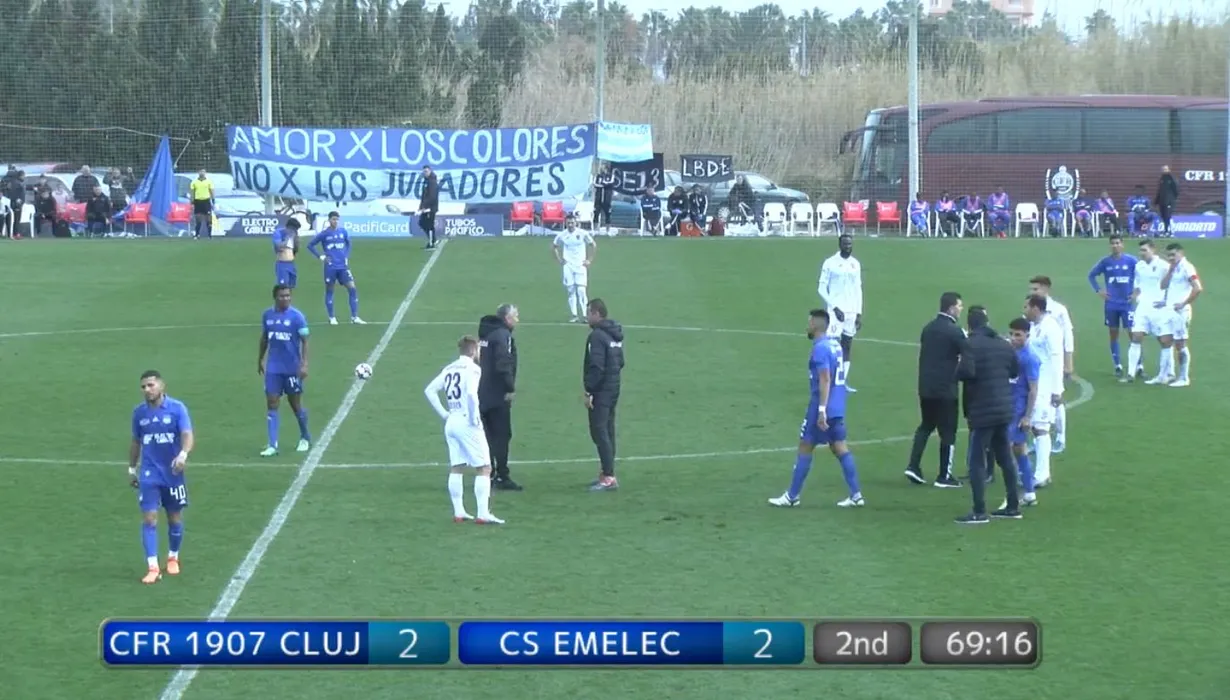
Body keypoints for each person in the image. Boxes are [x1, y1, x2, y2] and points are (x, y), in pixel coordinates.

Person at [768, 309, 864, 509]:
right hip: (838, 406)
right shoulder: (835, 345)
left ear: (815, 325)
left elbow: (825, 378)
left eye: (809, 322)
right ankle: (856, 495)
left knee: (805, 445)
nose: (807, 326)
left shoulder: (820, 349)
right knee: (839, 446)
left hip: (823, 406)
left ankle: (792, 496)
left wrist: (821, 410)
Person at [424, 335, 504, 525]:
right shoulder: (473, 369)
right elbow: (470, 394)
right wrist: (474, 416)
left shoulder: (449, 368)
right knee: (484, 467)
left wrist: (444, 414)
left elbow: (429, 390)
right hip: (466, 420)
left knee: (457, 466)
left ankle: (459, 512)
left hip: (452, 420)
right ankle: (483, 514)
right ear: (473, 350)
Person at [954, 306, 1021, 525]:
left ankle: (979, 511)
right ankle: (1013, 506)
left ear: (970, 325)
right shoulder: (1003, 344)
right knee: (1005, 458)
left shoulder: (970, 344)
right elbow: (1014, 371)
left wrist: (957, 369)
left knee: (976, 460)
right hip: (1004, 408)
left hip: (982, 409)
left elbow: (966, 372)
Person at [129, 369, 195, 583]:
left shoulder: (177, 408)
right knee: (149, 518)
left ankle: (173, 557)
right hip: (149, 473)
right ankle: (153, 567)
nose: (147, 390)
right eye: (143, 387)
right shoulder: (139, 413)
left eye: (151, 385)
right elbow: (136, 441)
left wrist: (183, 455)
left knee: (174, 517)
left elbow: (187, 434)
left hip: (173, 472)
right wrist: (132, 468)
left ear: (161, 386)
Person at [904, 292, 969, 488]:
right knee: (948, 431)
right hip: (946, 389)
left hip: (925, 387)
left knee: (926, 425)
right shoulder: (955, 331)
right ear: (951, 308)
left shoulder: (928, 328)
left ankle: (913, 465)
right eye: (959, 306)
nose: (961, 309)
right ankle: (944, 476)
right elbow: (968, 353)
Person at [258, 284, 312, 457]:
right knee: (272, 403)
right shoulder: (267, 315)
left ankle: (305, 437)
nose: (286, 298)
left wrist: (304, 364)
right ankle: (272, 444)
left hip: (291, 368)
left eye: (288, 295)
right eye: (282, 296)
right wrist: (260, 359)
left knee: (295, 404)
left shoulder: (297, 317)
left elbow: (305, 341)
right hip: (274, 368)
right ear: (275, 297)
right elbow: (265, 338)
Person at [1027, 275, 1073, 453]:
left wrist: (1068, 362)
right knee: (1037, 402)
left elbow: (1067, 336)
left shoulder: (1059, 310)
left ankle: (1061, 437)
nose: (1032, 292)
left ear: (1046, 289)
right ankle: (1038, 439)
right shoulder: (1031, 309)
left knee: (1057, 399)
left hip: (1053, 362)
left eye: (1035, 289)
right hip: (1038, 366)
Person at [583, 298, 625, 491]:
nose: (587, 317)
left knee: (599, 431)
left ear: (596, 314)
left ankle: (608, 477)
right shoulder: (614, 334)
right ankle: (607, 473)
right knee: (607, 430)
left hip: (601, 390)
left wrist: (590, 391)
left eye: (588, 313)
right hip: (613, 387)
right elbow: (620, 362)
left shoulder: (597, 337)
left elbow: (596, 366)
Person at [478, 304, 521, 491]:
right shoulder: (503, 336)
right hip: (497, 394)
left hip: (481, 393)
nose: (517, 320)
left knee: (487, 436)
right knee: (502, 435)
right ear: (507, 318)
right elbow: (504, 363)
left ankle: (489, 474)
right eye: (515, 316)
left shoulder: (485, 335)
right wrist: (509, 388)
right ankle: (502, 475)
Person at [1024, 294, 1064, 489]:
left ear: (1035, 308)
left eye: (1026, 307)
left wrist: (1056, 390)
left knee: (1041, 428)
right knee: (1035, 427)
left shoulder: (1051, 327)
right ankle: (1040, 473)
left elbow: (1057, 358)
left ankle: (1042, 474)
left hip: (1046, 386)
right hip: (1035, 383)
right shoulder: (1034, 326)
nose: (1024, 311)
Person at [1002, 317, 1040, 510]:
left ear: (1027, 335)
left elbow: (1033, 389)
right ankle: (1030, 493)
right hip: (1009, 406)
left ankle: (1012, 497)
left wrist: (1027, 417)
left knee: (1006, 451)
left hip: (1017, 411)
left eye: (1018, 335)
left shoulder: (1030, 358)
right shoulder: (1011, 352)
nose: (1013, 338)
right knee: (1019, 450)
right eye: (1011, 334)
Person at [1126, 239, 1176, 384]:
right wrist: (1134, 295)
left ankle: (1170, 372)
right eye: (1140, 250)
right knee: (1136, 336)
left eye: (1144, 250)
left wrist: (1166, 301)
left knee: (1164, 340)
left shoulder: (1163, 266)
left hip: (1159, 308)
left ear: (1153, 250)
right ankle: (1130, 373)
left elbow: (1172, 285)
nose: (1141, 253)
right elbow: (1138, 285)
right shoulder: (1139, 266)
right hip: (1143, 306)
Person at [817, 233, 862, 392]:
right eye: (845, 244)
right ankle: (827, 379)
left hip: (851, 312)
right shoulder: (830, 263)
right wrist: (835, 307)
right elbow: (821, 288)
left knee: (847, 346)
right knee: (832, 347)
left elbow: (858, 289)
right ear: (840, 245)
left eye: (850, 244)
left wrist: (858, 313)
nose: (848, 247)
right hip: (835, 312)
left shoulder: (855, 264)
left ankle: (841, 382)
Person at [1087, 234, 1137, 377]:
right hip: (1111, 304)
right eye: (1112, 243)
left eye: (1117, 243)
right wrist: (1099, 290)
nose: (1115, 246)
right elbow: (1091, 275)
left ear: (1122, 244)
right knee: (1113, 333)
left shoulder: (1132, 261)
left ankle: (1138, 365)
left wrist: (1137, 292)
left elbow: (1143, 275)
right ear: (1110, 245)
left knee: (1133, 334)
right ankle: (1117, 365)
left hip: (1127, 304)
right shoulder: (1105, 262)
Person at [307, 211, 365, 325]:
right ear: (329, 220)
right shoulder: (324, 234)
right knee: (330, 290)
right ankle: (332, 317)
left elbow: (349, 244)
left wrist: (346, 256)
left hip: (343, 266)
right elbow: (310, 245)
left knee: (352, 288)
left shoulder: (343, 232)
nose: (335, 221)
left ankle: (354, 317)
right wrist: (321, 257)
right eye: (333, 219)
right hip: (330, 266)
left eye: (337, 219)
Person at [1160, 243, 1201, 387]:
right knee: (1166, 340)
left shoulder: (1187, 267)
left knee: (1180, 344)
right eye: (1168, 255)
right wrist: (1170, 271)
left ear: (1181, 253)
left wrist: (1183, 304)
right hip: (1170, 310)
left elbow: (1197, 288)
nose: (1171, 258)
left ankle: (1184, 377)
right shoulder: (1173, 268)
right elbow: (1163, 286)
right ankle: (1167, 375)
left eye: (1173, 255)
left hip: (1181, 312)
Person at [552, 214, 597, 322]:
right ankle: (574, 315)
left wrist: (589, 260)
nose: (570, 225)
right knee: (571, 290)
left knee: (581, 291)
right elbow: (554, 246)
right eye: (568, 223)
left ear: (575, 223)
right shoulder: (562, 235)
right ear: (565, 223)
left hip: (580, 265)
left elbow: (593, 245)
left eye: (572, 223)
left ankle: (585, 315)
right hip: (568, 266)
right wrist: (559, 260)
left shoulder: (582, 233)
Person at [274, 218, 301, 288]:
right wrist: (287, 239)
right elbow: (278, 247)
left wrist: (296, 242)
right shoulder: (279, 232)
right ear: (289, 227)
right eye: (294, 229)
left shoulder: (294, 235)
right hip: (282, 263)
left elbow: (295, 248)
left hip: (291, 264)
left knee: (291, 286)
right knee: (283, 287)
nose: (295, 231)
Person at [188, 169, 214, 239]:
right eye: (200, 171)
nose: (202, 173)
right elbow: (192, 192)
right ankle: (197, 234)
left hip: (206, 201)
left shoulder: (209, 182)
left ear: (205, 173)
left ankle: (209, 235)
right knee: (198, 219)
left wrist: (213, 199)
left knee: (208, 219)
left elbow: (211, 191)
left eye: (203, 171)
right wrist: (192, 201)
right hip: (198, 201)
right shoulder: (194, 182)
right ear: (198, 173)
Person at [591, 162, 615, 235]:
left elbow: (610, 184)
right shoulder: (598, 176)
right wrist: (603, 185)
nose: (602, 168)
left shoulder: (611, 176)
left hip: (607, 199)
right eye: (601, 167)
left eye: (603, 167)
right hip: (598, 198)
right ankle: (595, 230)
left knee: (608, 214)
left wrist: (603, 185)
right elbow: (595, 184)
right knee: (596, 213)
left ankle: (608, 230)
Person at [419, 166, 440, 250]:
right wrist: (421, 207)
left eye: (426, 171)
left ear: (430, 171)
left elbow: (432, 196)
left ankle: (432, 243)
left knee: (429, 224)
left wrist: (425, 206)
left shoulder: (432, 182)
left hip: (430, 207)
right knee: (422, 223)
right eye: (424, 171)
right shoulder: (426, 181)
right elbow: (424, 196)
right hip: (426, 207)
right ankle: (433, 240)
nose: (425, 173)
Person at [1155, 165, 1179, 237]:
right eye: (1163, 169)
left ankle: (1169, 231)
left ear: (1168, 170)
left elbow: (1176, 190)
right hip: (1162, 202)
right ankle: (1165, 230)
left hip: (1169, 202)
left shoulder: (1171, 178)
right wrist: (1156, 201)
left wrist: (1171, 199)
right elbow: (1160, 191)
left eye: (1165, 169)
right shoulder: (1161, 179)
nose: (1164, 171)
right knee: (1163, 216)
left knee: (1168, 216)